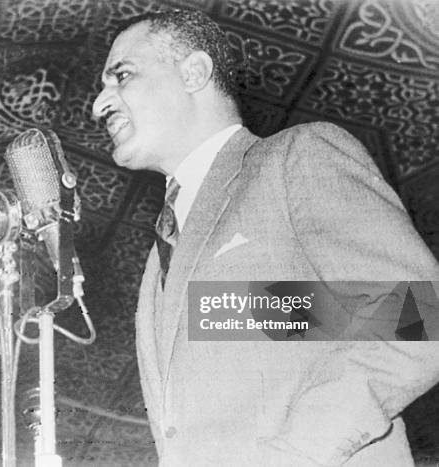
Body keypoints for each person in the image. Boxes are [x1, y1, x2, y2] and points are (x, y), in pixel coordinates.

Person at [92, 9, 439, 467]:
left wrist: (297, 454)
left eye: (122, 76)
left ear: (194, 72)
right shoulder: (162, 251)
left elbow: (418, 317)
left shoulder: (296, 157)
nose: (99, 104)